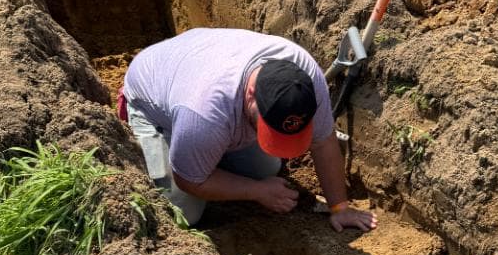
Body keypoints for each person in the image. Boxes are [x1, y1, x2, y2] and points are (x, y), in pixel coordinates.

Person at [123, 28, 377, 232]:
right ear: (252, 95)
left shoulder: (304, 81)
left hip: (201, 62)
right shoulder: (203, 114)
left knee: (264, 169)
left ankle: (210, 155)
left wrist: (340, 207)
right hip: (151, 98)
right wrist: (256, 191)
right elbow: (189, 180)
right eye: (270, 130)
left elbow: (322, 141)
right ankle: (182, 151)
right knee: (183, 213)